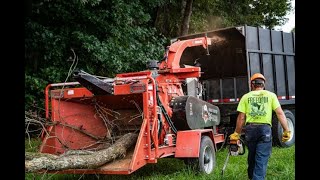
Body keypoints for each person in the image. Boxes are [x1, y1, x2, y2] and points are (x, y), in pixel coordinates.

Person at [229, 73, 291, 180]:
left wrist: (236, 134)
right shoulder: (271, 96)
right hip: (265, 130)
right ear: (263, 84)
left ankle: (251, 177)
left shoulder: (246, 97)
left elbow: (241, 118)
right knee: (261, 159)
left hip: (250, 131)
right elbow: (280, 113)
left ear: (252, 85)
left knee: (252, 157)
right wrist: (286, 130)